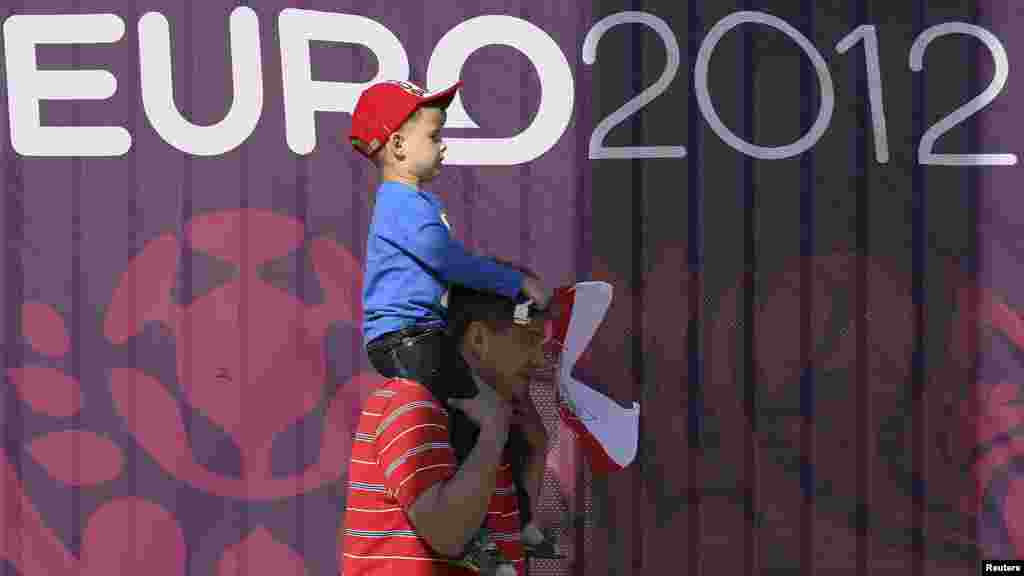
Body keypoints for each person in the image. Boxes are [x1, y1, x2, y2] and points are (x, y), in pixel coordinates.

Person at [348, 79, 556, 566]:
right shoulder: (401, 206)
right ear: (398, 146)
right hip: (406, 338)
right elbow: (446, 260)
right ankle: (474, 542)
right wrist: (512, 284)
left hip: (418, 334)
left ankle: (515, 528)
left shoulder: (416, 206)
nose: (443, 146)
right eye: (434, 135)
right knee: (486, 414)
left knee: (486, 415)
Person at [341, 281, 551, 576]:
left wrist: (536, 449)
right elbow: (448, 534)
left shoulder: (490, 413)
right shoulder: (413, 401)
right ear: (478, 338)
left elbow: (506, 541)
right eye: (529, 338)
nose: (539, 360)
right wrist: (493, 435)